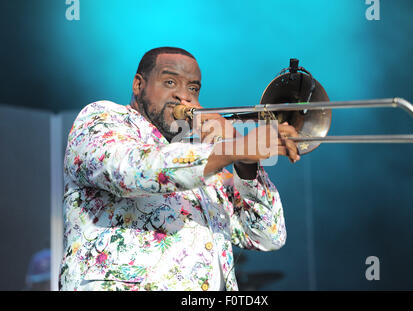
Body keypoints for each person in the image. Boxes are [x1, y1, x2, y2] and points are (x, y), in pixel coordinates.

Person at [59, 47, 300, 291]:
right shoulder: (103, 118)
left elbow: (268, 236)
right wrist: (232, 150)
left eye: (193, 88)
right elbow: (131, 170)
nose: (183, 96)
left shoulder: (204, 158)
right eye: (170, 81)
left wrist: (244, 160)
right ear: (138, 84)